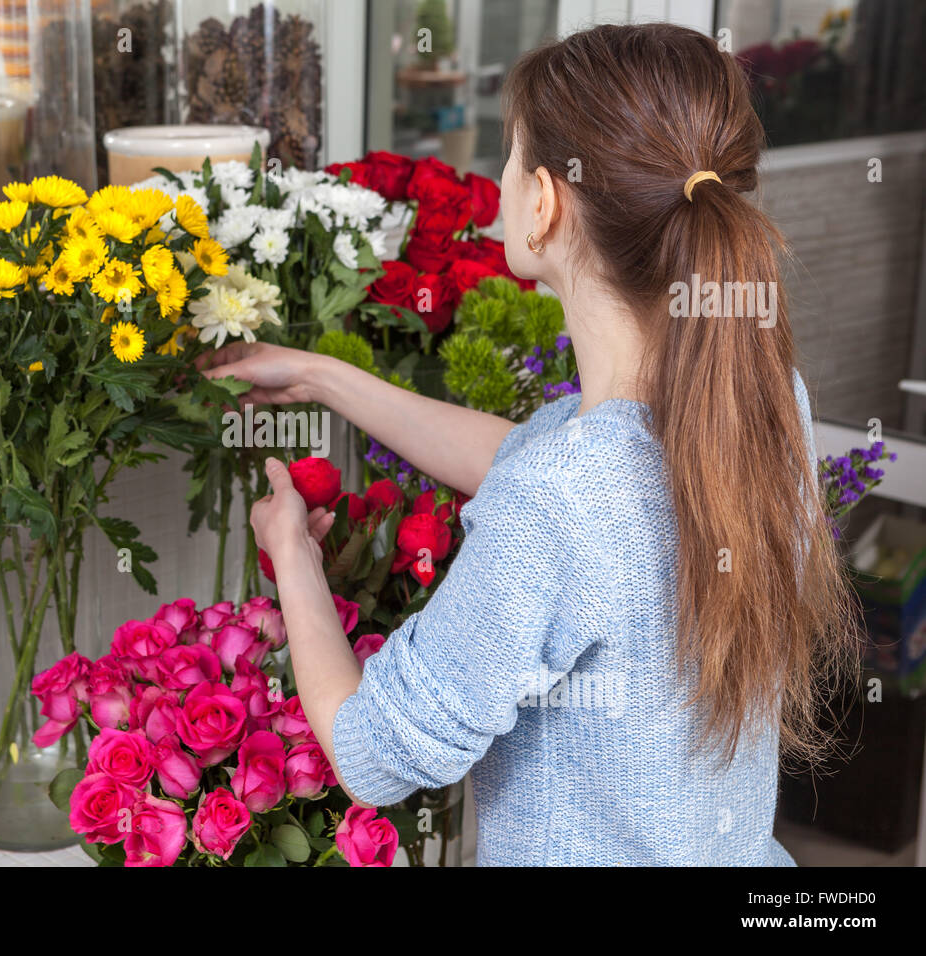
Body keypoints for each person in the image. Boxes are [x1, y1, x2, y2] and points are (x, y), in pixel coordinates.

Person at [201, 22, 857, 865]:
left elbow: (370, 755)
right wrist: (326, 378)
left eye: (509, 159)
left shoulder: (562, 496)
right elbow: (539, 467)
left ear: (545, 202)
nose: (499, 183)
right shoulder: (761, 403)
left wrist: (290, 552)